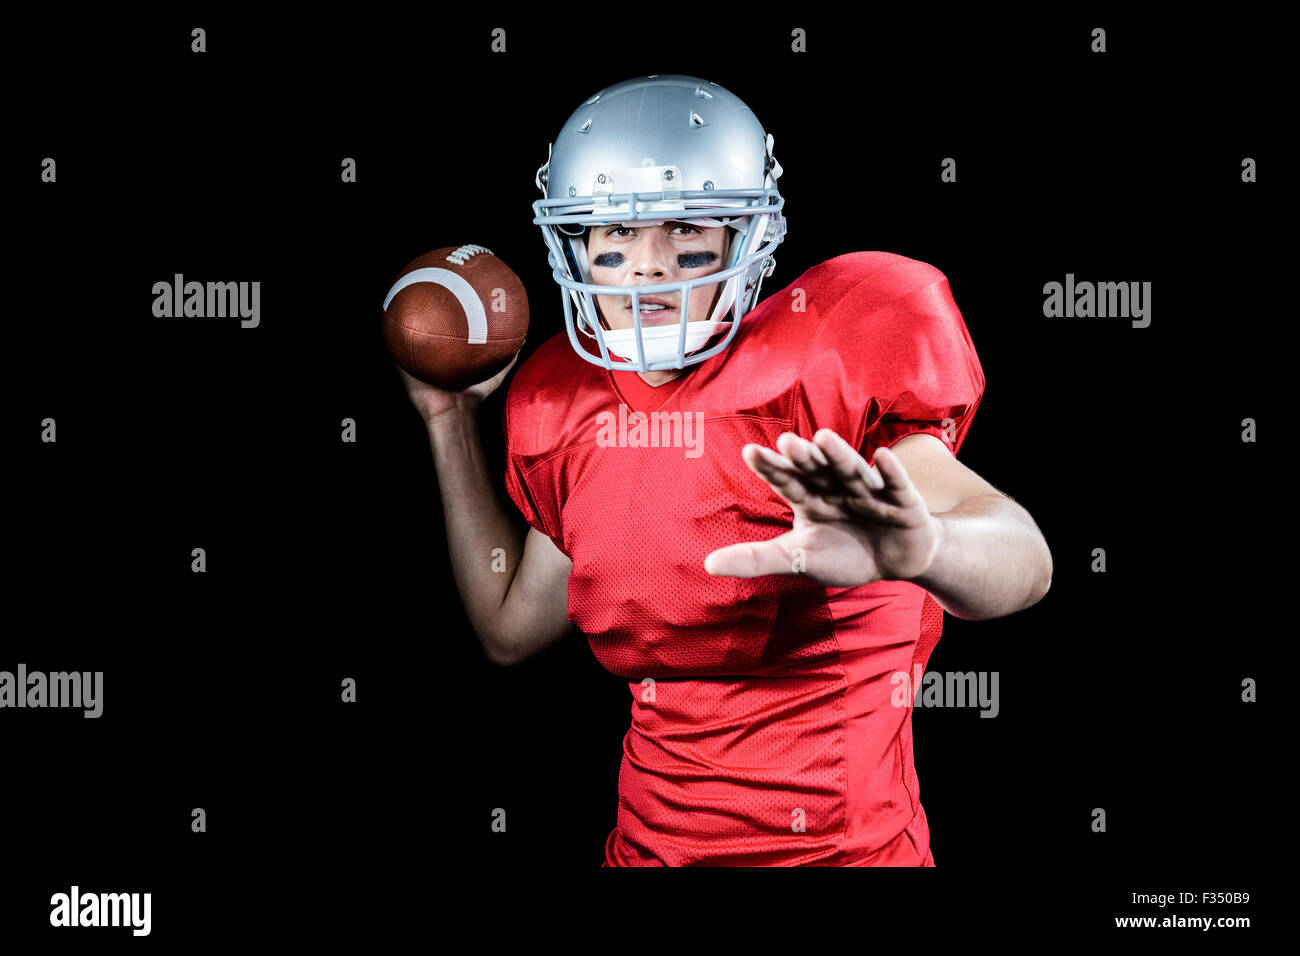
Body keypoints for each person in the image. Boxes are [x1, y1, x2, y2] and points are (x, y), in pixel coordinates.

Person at [398, 75, 1052, 866]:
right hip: (644, 851)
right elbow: (509, 632)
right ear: (573, 247)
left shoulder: (821, 365)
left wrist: (925, 552)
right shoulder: (562, 403)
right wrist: (449, 422)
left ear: (750, 238)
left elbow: (1025, 555)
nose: (647, 267)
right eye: (613, 237)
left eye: (686, 231)